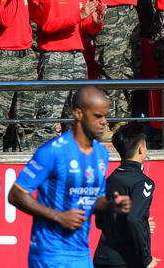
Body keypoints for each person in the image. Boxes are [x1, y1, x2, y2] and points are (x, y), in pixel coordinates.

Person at [9, 85, 131, 268]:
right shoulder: (52, 152)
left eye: (105, 116)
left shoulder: (101, 154)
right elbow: (15, 194)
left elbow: (94, 200)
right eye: (97, 116)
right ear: (78, 114)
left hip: (81, 254)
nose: (104, 122)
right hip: (50, 254)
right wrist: (59, 217)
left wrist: (111, 205)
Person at [93, 124, 157, 268]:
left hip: (102, 258)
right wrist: (146, 259)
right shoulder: (143, 183)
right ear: (141, 148)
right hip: (126, 260)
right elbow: (133, 219)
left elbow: (101, 222)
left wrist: (144, 226)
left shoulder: (109, 179)